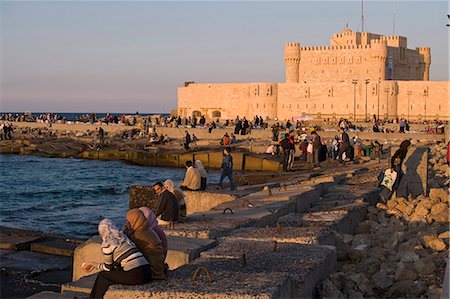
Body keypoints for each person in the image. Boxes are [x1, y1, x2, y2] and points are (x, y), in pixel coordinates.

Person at [83, 219, 150, 298]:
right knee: (112, 273)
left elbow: (107, 268)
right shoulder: (124, 238)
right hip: (147, 272)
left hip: (135, 276)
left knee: (103, 275)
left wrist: (92, 264)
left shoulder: (107, 245)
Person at [124, 209, 166, 280]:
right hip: (158, 267)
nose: (127, 223)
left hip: (153, 271)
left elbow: (127, 246)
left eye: (128, 221)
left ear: (134, 220)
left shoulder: (139, 234)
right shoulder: (146, 229)